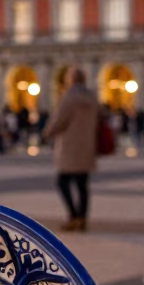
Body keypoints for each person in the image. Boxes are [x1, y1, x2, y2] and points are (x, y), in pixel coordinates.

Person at [43, 68, 98, 231]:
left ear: (71, 80)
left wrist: (47, 133)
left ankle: (73, 216)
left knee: (62, 182)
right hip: (87, 145)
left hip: (70, 146)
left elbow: (59, 120)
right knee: (82, 184)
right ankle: (82, 218)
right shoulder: (92, 97)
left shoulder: (69, 97)